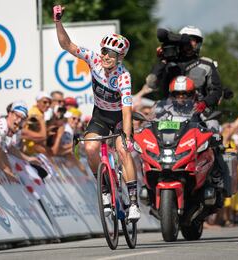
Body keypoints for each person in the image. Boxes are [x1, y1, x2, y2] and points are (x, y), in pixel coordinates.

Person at [53, 4, 140, 220]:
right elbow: (67, 45)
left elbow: (127, 111)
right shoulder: (93, 59)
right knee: (90, 148)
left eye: (111, 54)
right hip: (100, 115)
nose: (105, 56)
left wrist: (127, 136)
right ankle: (104, 191)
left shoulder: (124, 77)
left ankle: (133, 202)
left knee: (122, 151)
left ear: (119, 58)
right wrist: (58, 22)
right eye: (104, 51)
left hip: (119, 119)